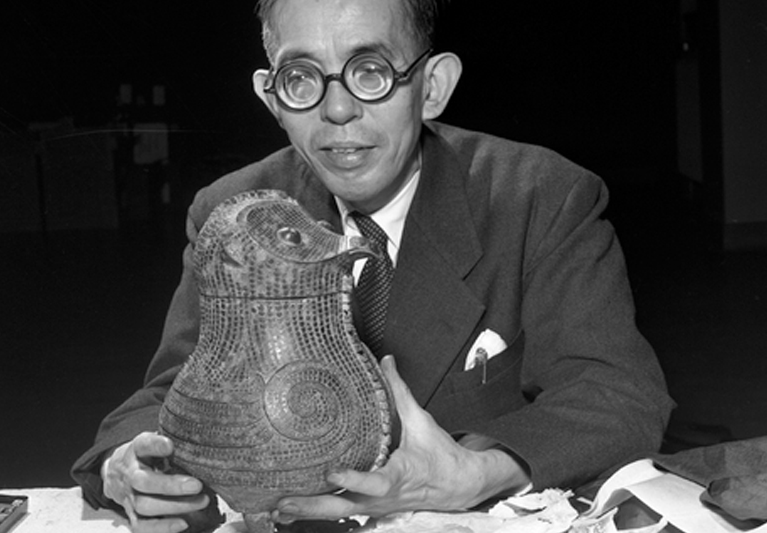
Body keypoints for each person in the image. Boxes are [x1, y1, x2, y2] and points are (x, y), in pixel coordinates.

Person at [72, 0, 674, 532]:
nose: (337, 110)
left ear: (432, 86)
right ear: (271, 97)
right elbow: (168, 394)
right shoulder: (234, 215)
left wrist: (480, 472)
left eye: (370, 71)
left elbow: (618, 394)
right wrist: (127, 465)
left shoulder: (540, 196)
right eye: (301, 77)